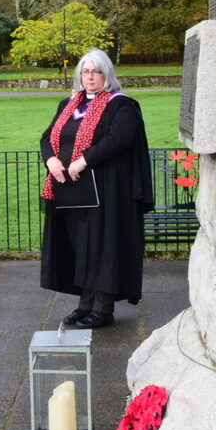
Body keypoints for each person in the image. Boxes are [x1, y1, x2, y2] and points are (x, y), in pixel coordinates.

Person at [39, 49, 153, 329]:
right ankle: (85, 304)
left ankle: (103, 309)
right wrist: (51, 159)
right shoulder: (69, 104)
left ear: (107, 74)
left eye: (96, 71)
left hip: (106, 192)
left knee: (102, 249)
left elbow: (119, 139)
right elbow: (47, 136)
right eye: (86, 71)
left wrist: (84, 160)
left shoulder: (121, 105)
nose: (90, 77)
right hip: (70, 192)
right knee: (81, 248)